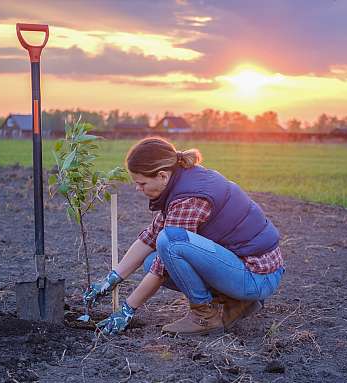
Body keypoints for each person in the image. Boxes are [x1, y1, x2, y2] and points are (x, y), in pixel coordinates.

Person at [86, 137, 285, 336]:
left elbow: (163, 264)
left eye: (141, 183)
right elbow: (150, 237)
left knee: (169, 244)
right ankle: (237, 302)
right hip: (247, 268)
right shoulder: (182, 180)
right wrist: (111, 279)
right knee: (151, 259)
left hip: (257, 276)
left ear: (162, 176)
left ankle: (204, 317)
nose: (138, 189)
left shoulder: (189, 198)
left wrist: (127, 310)